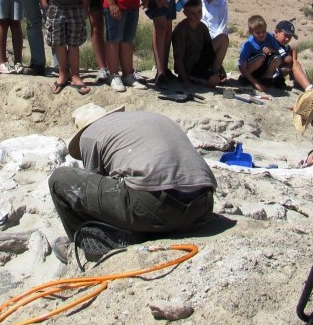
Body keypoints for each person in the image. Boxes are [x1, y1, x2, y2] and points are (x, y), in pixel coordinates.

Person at [48, 106, 216, 257]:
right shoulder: (147, 118)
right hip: (203, 207)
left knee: (59, 179)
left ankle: (84, 245)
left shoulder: (89, 134)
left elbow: (94, 192)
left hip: (159, 208)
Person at [171, 0, 222, 88]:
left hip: (200, 62)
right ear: (185, 13)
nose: (197, 15)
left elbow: (209, 49)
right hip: (189, 68)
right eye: (193, 13)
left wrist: (221, 68)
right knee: (214, 80)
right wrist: (185, 79)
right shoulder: (181, 30)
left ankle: (215, 72)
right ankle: (193, 78)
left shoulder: (202, 27)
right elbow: (178, 56)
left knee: (223, 39)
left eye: (199, 11)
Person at [237, 14, 285, 93]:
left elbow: (280, 52)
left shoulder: (269, 37)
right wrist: (255, 83)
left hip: (263, 68)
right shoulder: (248, 44)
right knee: (260, 57)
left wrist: (271, 50)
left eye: (263, 31)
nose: (261, 34)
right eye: (258, 33)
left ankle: (265, 79)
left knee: (277, 58)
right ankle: (248, 79)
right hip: (250, 70)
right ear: (251, 32)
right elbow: (242, 67)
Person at [197, 0, 229, 81]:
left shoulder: (221, 1)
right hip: (203, 36)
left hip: (217, 35)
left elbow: (223, 21)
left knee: (223, 39)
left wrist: (216, 38)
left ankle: (215, 70)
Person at [272, 20, 312, 91]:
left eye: (290, 37)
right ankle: (308, 88)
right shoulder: (272, 42)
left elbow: (293, 48)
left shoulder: (280, 44)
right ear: (276, 32)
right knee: (294, 64)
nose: (287, 39)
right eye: (285, 35)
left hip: (274, 73)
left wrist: (294, 61)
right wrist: (293, 63)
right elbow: (288, 59)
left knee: (294, 58)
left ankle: (296, 78)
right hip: (268, 76)